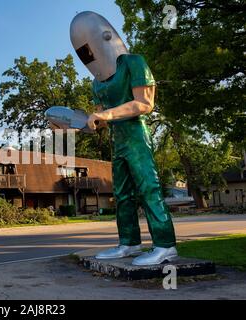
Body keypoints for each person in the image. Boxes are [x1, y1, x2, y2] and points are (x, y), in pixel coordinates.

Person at [67, 11, 178, 266]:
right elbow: (101, 122)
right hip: (117, 139)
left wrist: (105, 114)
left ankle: (165, 245)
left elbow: (144, 103)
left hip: (137, 135)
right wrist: (77, 123)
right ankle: (129, 242)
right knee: (122, 193)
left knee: (148, 187)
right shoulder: (97, 83)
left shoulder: (133, 62)